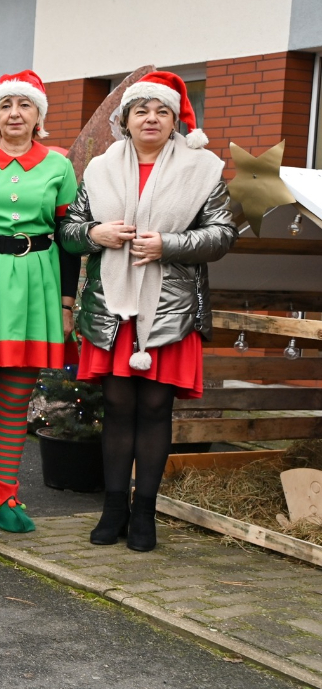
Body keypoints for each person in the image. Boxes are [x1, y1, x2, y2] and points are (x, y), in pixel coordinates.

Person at [59, 72, 234, 552]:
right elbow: (69, 231)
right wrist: (96, 234)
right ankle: (113, 508)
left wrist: (169, 244)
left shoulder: (203, 170)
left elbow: (222, 236)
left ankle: (144, 514)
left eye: (161, 111)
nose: (151, 118)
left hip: (169, 307)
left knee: (156, 408)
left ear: (175, 120)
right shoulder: (99, 169)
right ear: (126, 120)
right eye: (142, 110)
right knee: (116, 407)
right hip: (113, 307)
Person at [0, 71, 79, 535]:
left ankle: (5, 495)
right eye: (6, 106)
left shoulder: (59, 167)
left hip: (35, 282)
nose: (15, 114)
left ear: (38, 114)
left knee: (15, 399)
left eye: (25, 105)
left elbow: (67, 239)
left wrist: (66, 303)